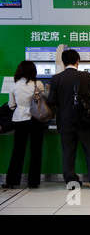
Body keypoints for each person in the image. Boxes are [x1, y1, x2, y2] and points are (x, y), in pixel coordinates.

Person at [48, 49, 90, 190]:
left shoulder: (56, 79)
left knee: (68, 153)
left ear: (63, 62)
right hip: (84, 120)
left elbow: (52, 100)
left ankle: (71, 182)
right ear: (78, 61)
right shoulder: (85, 76)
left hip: (65, 122)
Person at [2, 61, 47, 189]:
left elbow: (11, 106)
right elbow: (43, 100)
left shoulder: (14, 85)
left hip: (20, 120)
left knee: (18, 151)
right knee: (36, 151)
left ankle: (11, 181)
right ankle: (33, 182)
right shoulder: (38, 84)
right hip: (36, 120)